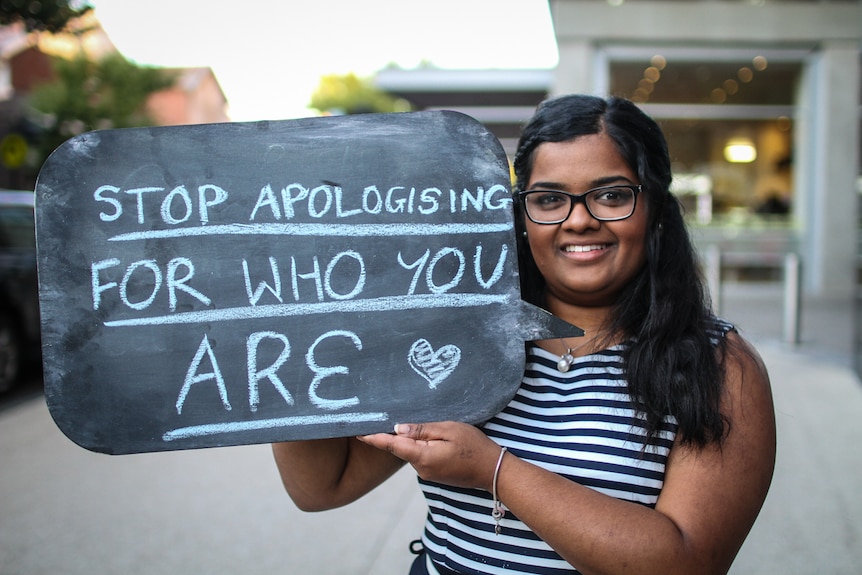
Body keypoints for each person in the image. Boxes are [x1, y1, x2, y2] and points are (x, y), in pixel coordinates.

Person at [271, 94, 776, 575]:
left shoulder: (720, 367)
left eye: (612, 195)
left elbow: (686, 564)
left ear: (658, 211)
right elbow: (321, 487)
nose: (579, 220)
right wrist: (299, 331)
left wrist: (494, 469)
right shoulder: (457, 339)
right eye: (550, 198)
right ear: (521, 214)